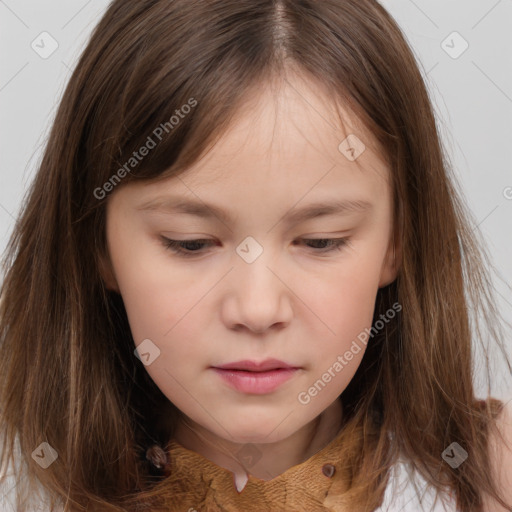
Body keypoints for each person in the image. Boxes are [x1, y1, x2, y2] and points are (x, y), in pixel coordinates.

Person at [0, 1, 511, 511]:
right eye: (190, 243)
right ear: (98, 244)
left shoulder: (490, 479)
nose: (258, 309)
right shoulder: (20, 488)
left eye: (321, 241)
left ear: (397, 241)